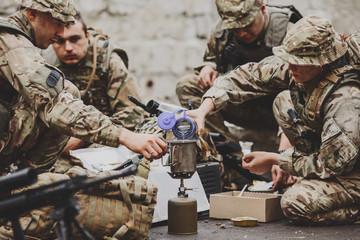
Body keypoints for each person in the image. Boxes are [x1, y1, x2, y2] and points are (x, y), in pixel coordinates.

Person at [0, 0, 166, 238]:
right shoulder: (11, 43)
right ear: (33, 14)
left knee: (67, 93)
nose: (60, 35)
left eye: (67, 27)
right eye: (57, 24)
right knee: (64, 98)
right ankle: (18, 199)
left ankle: (23, 192)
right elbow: (56, 104)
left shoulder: (105, 60)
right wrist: (124, 136)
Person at [188, 15, 360, 225]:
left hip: (347, 167)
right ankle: (308, 178)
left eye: (296, 62)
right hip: (335, 154)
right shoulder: (302, 66)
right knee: (284, 101)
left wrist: (277, 160)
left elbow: (331, 164)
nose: (289, 67)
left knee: (295, 203)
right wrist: (204, 109)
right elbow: (249, 77)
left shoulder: (345, 99)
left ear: (320, 63)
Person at [176, 0, 301, 151]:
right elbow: (213, 60)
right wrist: (209, 67)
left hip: (280, 111)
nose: (242, 33)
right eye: (235, 28)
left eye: (247, 25)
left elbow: (303, 92)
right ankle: (227, 149)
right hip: (242, 105)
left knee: (292, 94)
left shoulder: (291, 32)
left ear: (262, 8)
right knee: (188, 86)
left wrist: (283, 155)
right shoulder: (222, 33)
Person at [42, 11, 145, 155]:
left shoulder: (108, 61)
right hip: (60, 144)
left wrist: (83, 138)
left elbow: (133, 113)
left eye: (75, 39)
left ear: (87, 36)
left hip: (103, 141)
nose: (68, 48)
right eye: (60, 41)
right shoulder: (45, 64)